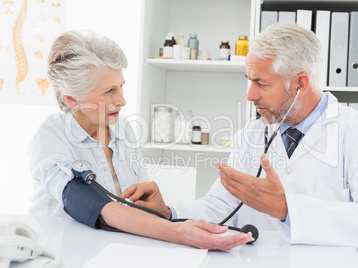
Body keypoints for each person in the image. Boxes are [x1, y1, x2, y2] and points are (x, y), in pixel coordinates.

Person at [121, 23, 358, 267]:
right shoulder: (252, 134)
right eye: (249, 80)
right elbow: (221, 207)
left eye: (261, 83)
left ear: (299, 84)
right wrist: (169, 212)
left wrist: (287, 208)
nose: (250, 95)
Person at [28, 29, 253, 250]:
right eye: (109, 91)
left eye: (121, 86)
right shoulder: (52, 135)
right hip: (61, 252)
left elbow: (137, 209)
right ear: (72, 99)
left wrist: (161, 211)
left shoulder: (123, 129)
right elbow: (84, 200)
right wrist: (177, 232)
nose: (122, 100)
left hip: (115, 249)